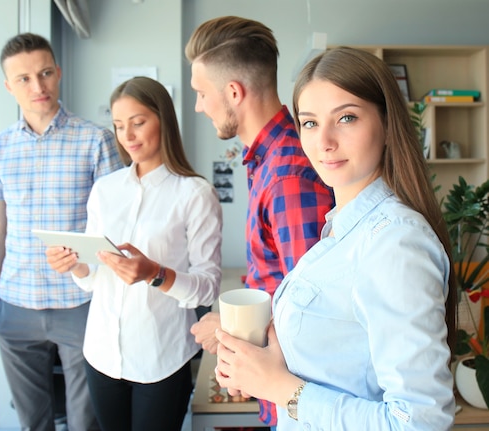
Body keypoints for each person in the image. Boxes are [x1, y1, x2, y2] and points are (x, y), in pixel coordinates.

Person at [214, 46, 457, 430]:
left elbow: (419, 422)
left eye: (346, 118)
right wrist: (264, 361)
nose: (323, 141)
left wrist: (281, 388)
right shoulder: (342, 228)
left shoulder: (395, 243)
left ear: (387, 124)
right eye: (309, 123)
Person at [45, 76, 223, 431]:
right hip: (101, 356)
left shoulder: (195, 193)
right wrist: (76, 266)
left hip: (162, 357)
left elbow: (207, 287)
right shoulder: (104, 190)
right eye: (119, 125)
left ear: (164, 121)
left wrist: (155, 273)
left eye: (138, 122)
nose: (127, 135)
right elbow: (94, 280)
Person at [185, 15, 334, 428]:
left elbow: (310, 310)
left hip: (300, 398)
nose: (198, 105)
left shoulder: (286, 175)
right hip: (284, 391)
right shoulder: (268, 160)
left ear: (233, 92)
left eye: (201, 93)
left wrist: (228, 330)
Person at [0, 32, 123, 431]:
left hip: (78, 306)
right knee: (33, 423)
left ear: (58, 73)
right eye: (24, 79)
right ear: (9, 86)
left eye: (45, 73)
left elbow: (114, 227)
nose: (38, 86)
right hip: (15, 305)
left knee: (85, 422)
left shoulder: (96, 140)